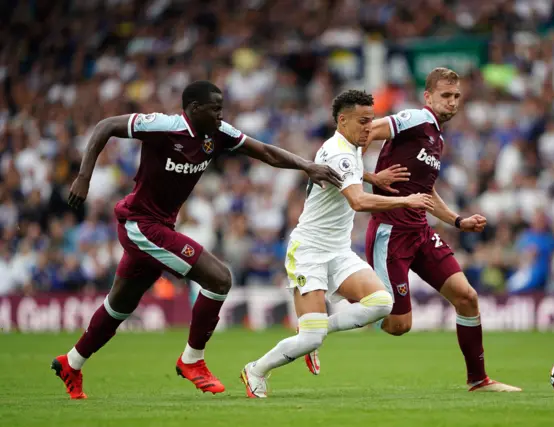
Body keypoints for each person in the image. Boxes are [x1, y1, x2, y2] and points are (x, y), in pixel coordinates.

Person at [51, 80, 344, 399]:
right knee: (220, 278)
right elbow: (106, 126)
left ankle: (72, 362)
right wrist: (83, 177)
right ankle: (192, 360)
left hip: (160, 225)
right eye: (215, 108)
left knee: (120, 304)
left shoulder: (219, 133)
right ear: (194, 108)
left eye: (222, 107)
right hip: (140, 224)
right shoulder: (164, 126)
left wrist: (307, 166)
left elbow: (264, 151)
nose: (221, 114)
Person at [305, 68, 521, 392]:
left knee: (467, 297)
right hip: (390, 234)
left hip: (419, 231)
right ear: (428, 97)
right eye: (445, 96)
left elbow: (425, 191)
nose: (452, 102)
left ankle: (479, 380)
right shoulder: (414, 119)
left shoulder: (437, 137)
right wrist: (367, 176)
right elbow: (363, 135)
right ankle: (328, 318)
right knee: (397, 325)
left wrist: (458, 221)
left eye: (456, 96)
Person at [239, 90, 434, 398]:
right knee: (310, 339)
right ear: (342, 121)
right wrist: (404, 199)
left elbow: (349, 174)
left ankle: (316, 331)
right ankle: (256, 370)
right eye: (363, 121)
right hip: (309, 252)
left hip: (339, 251)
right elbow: (356, 201)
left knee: (381, 303)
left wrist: (373, 176)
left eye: (371, 120)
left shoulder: (350, 146)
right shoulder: (339, 151)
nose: (370, 128)